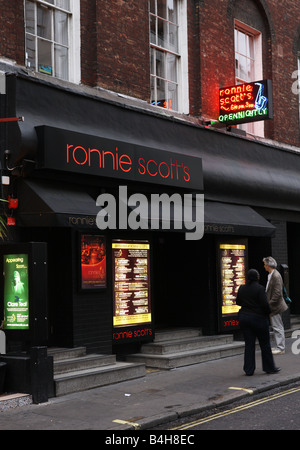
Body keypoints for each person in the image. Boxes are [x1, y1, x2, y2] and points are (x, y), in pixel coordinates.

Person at [236, 269, 280, 376]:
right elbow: (265, 305)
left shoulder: (242, 288)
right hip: (258, 319)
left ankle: (249, 370)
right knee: (265, 344)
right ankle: (269, 367)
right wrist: (268, 312)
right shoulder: (260, 289)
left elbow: (238, 302)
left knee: (249, 345)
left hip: (244, 319)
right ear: (256, 277)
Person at [263, 256, 288, 354]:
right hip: (274, 306)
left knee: (277, 327)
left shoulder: (276, 276)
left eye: (265, 264)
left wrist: (269, 304)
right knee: (276, 326)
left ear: (268, 265)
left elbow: (278, 293)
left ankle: (281, 348)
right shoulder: (271, 275)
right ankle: (279, 346)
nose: (264, 266)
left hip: (275, 306)